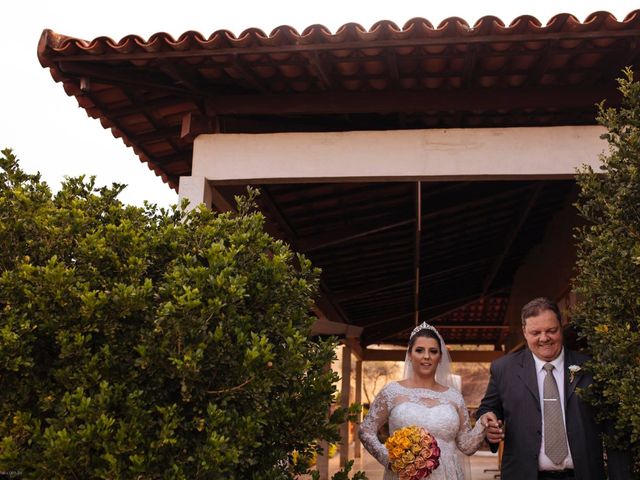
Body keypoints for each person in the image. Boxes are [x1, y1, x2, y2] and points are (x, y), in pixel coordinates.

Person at [476, 297, 630, 480]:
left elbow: (613, 430)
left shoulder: (591, 368)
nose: (544, 338)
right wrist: (489, 424)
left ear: (561, 327)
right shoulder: (504, 369)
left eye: (551, 330)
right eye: (535, 332)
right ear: (525, 332)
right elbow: (488, 409)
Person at [359, 322, 485, 479]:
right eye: (419, 350)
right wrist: (389, 459)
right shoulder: (392, 392)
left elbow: (466, 446)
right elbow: (365, 431)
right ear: (410, 355)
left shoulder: (454, 397)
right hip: (405, 475)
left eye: (433, 351)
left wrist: (483, 424)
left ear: (440, 357)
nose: (427, 356)